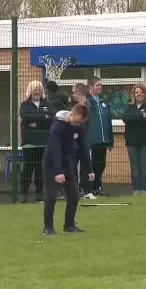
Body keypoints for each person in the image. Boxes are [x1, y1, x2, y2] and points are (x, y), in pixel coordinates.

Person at [42, 103, 94, 235]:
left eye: (81, 123)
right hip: (52, 164)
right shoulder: (57, 127)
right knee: (51, 196)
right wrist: (58, 172)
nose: (78, 125)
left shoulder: (78, 127)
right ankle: (48, 227)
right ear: (71, 114)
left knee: (73, 195)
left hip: (67, 164)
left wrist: (89, 169)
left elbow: (83, 148)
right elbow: (55, 150)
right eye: (77, 122)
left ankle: (69, 225)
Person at [19, 81, 53, 203]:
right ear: (30, 91)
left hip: (44, 142)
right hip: (29, 142)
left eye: (39, 89)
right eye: (35, 90)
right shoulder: (24, 105)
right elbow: (26, 117)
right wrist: (43, 117)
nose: (37, 92)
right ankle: (24, 193)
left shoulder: (47, 104)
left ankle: (39, 193)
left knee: (40, 169)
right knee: (27, 169)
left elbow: (51, 119)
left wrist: (37, 121)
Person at [122, 84, 146, 195]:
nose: (139, 94)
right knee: (134, 166)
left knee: (144, 166)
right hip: (132, 141)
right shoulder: (129, 107)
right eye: (136, 92)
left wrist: (135, 117)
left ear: (145, 93)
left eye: (141, 92)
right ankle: (136, 189)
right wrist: (141, 115)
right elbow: (125, 118)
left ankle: (144, 189)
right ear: (133, 94)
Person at [82, 76, 114, 199]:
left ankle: (98, 187)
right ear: (91, 87)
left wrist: (110, 140)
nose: (100, 87)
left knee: (101, 165)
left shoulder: (104, 102)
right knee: (92, 166)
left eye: (101, 85)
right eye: (97, 85)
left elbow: (109, 122)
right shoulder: (87, 102)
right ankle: (89, 189)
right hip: (91, 141)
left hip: (103, 140)